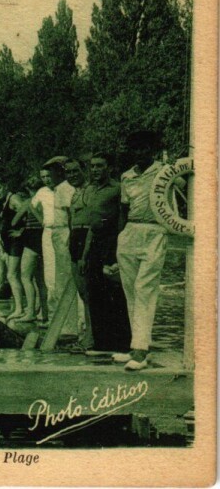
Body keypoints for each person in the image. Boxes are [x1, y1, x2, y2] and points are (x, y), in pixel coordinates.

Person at [114, 131, 171, 370]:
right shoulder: (127, 176)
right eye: (135, 149)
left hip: (155, 231)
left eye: (143, 149)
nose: (139, 153)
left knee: (144, 288)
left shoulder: (164, 171)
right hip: (130, 232)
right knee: (131, 291)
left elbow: (187, 183)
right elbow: (123, 210)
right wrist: (118, 238)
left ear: (152, 150)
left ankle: (141, 351)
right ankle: (136, 345)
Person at [80, 152, 131, 354]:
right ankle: (101, 343)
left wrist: (118, 248)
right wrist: (84, 255)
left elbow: (122, 218)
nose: (95, 170)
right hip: (95, 241)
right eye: (92, 166)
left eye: (100, 166)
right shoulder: (90, 190)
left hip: (112, 241)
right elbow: (92, 225)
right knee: (94, 292)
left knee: (114, 293)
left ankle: (121, 342)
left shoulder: (117, 188)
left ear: (109, 168)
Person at [48, 158, 81, 341]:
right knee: (62, 279)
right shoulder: (61, 188)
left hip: (64, 233)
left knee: (66, 278)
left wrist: (70, 237)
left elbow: (71, 214)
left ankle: (69, 327)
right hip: (60, 232)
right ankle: (69, 324)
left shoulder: (64, 189)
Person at [66, 158, 94, 349]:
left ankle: (91, 337)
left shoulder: (90, 191)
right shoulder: (74, 193)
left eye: (76, 171)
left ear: (84, 170)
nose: (72, 175)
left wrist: (85, 254)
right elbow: (72, 219)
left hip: (85, 237)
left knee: (88, 291)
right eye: (68, 172)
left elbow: (92, 222)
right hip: (75, 238)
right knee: (82, 292)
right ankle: (87, 334)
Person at [11, 174, 46, 323]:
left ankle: (30, 311)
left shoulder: (28, 202)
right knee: (41, 280)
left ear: (29, 189)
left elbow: (14, 221)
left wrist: (21, 230)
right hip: (43, 238)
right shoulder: (47, 199)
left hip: (31, 240)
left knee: (26, 277)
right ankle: (43, 313)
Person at [0, 178, 26, 319]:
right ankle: (18, 307)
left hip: (16, 242)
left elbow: (28, 210)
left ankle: (19, 309)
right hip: (10, 243)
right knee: (15, 275)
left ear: (6, 185)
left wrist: (21, 231)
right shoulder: (6, 200)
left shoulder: (13, 198)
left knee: (12, 275)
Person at [31, 165, 58, 325]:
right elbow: (31, 206)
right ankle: (52, 316)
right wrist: (41, 220)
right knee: (50, 274)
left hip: (63, 230)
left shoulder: (63, 189)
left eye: (49, 176)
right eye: (43, 177)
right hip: (48, 231)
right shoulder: (42, 192)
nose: (47, 179)